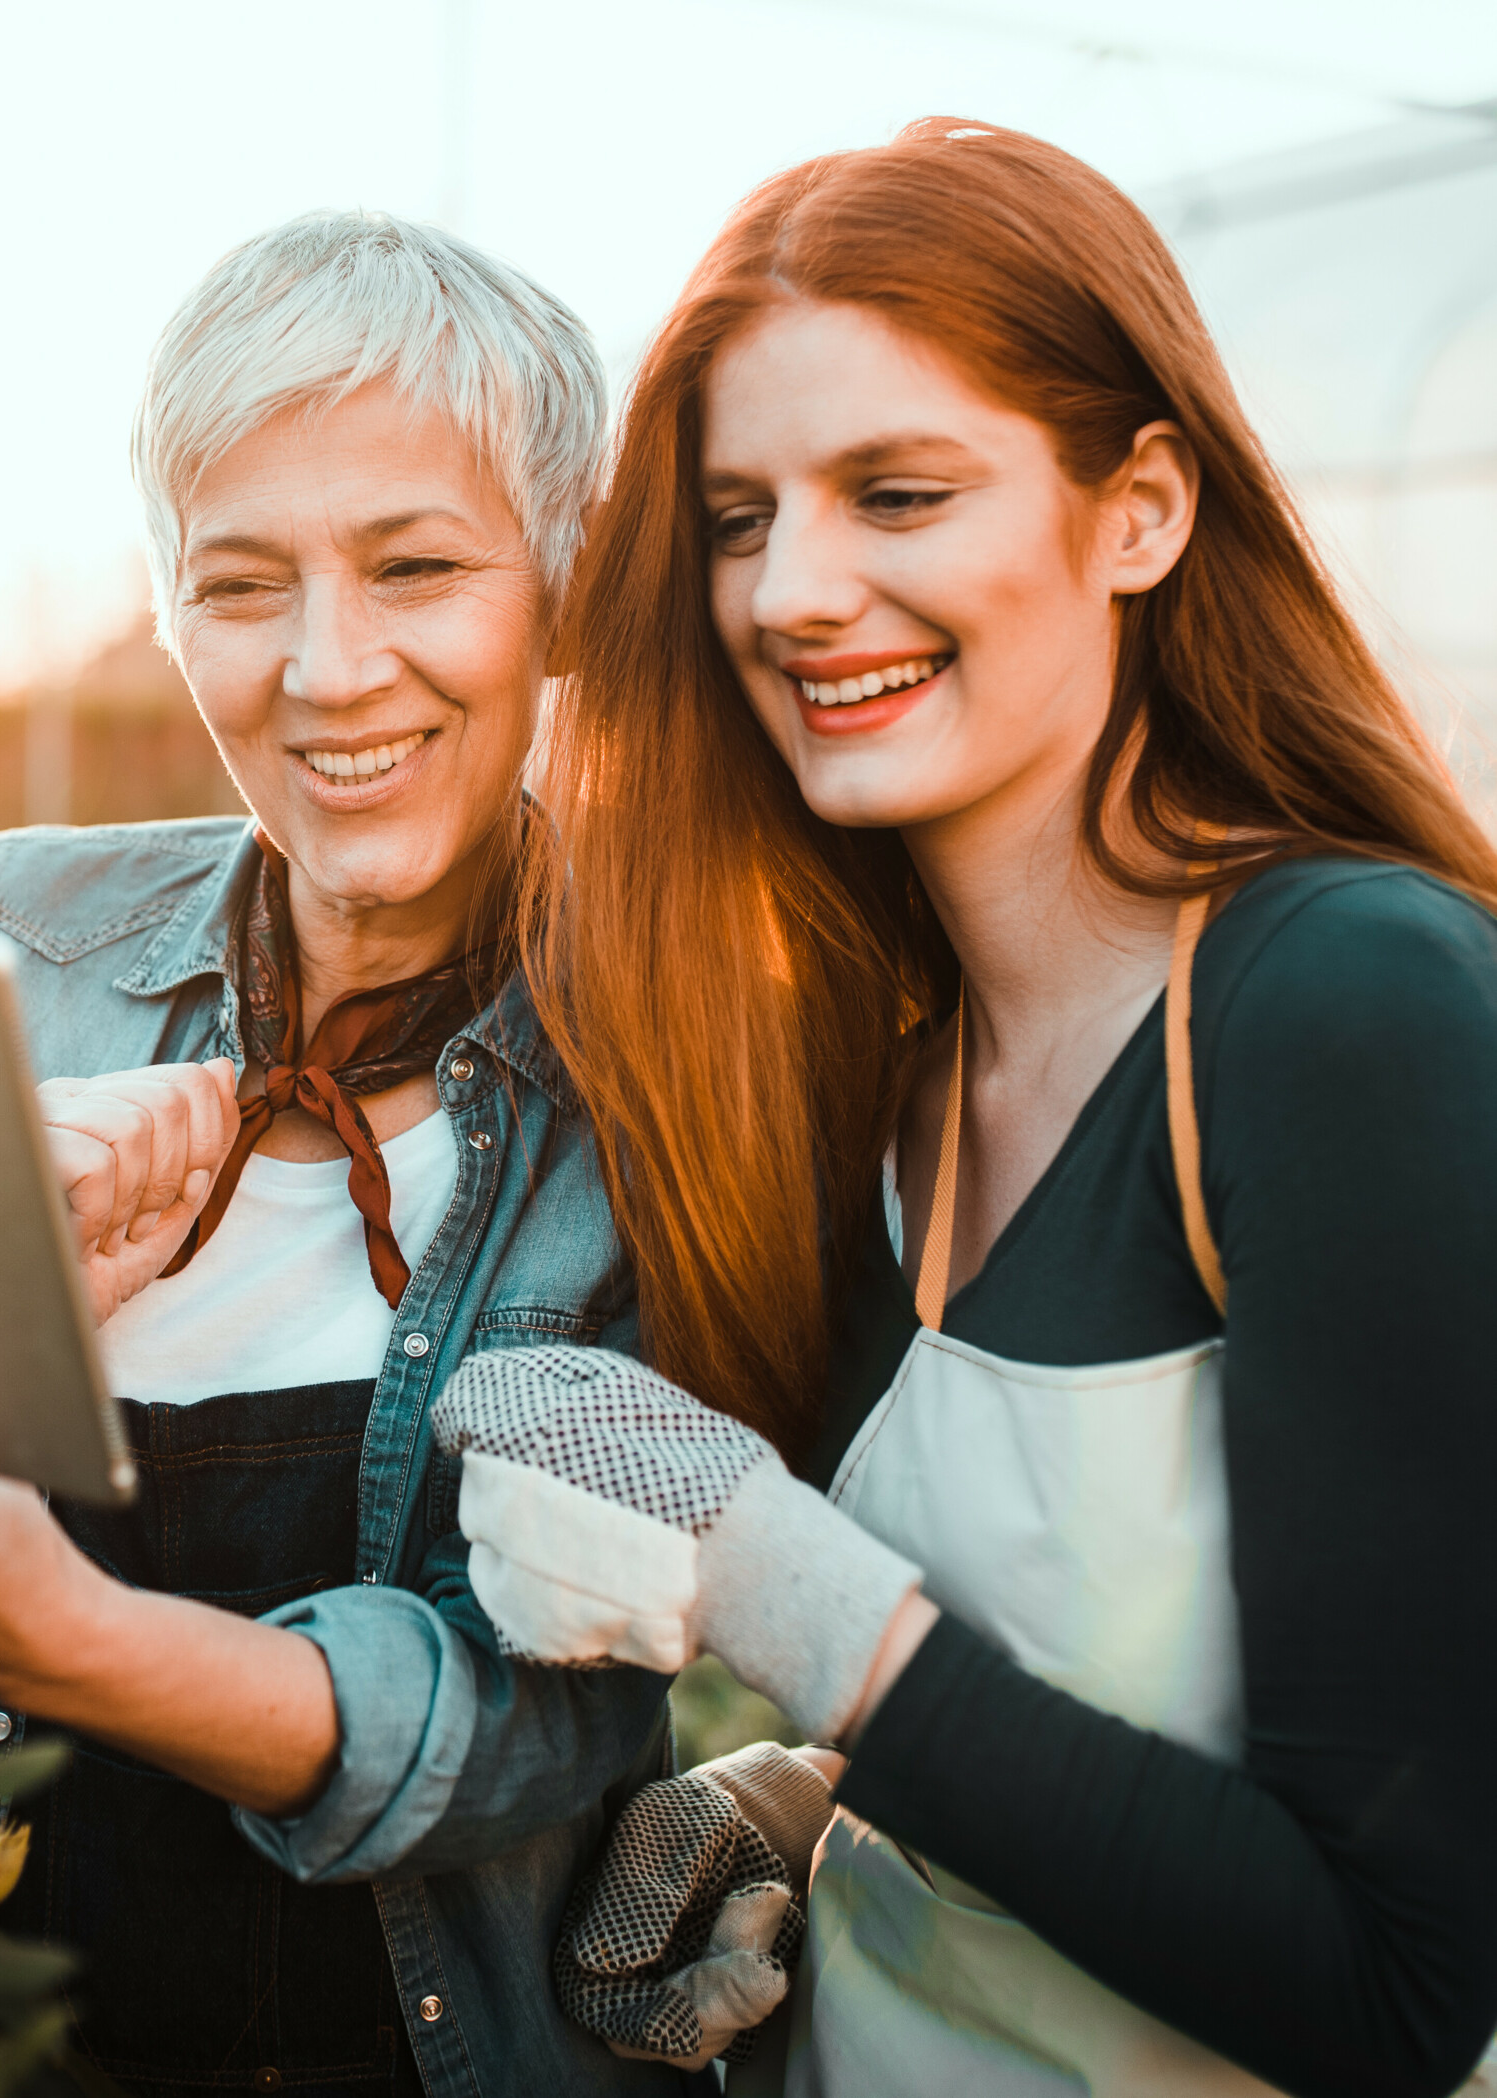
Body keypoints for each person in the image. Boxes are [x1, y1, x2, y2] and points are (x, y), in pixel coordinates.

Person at [435, 122, 1497, 2096]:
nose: (796, 589)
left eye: (897, 491)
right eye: (741, 517)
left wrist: (778, 1587)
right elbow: (1054, 1719)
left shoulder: (1341, 1010)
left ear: (1142, 510)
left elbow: (1400, 1995)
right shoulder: (883, 1064)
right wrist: (797, 1798)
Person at [0, 210, 688, 2098]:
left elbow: (558, 1709)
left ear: (561, 581)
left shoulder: (665, 1081)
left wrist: (60, 1632)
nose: (329, 666)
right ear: (164, 605)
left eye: (417, 566)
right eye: (241, 583)